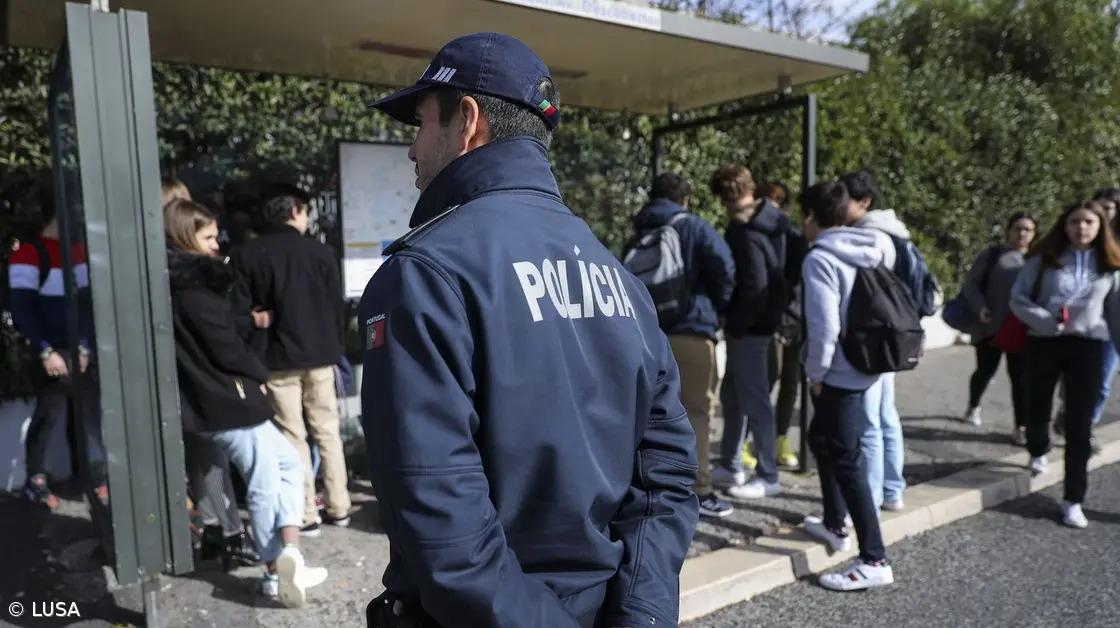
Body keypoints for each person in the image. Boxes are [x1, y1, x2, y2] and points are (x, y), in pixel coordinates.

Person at [361, 32, 699, 627]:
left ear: (467, 120)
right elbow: (666, 475)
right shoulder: (616, 274)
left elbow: (442, 523)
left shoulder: (423, 276)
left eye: (419, 125)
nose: (413, 151)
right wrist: (641, 614)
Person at [165, 199, 327, 606]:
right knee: (266, 478)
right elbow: (224, 345)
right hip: (228, 398)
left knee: (286, 464)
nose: (215, 242)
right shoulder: (194, 288)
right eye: (205, 236)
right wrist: (256, 369)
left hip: (222, 398)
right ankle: (275, 568)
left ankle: (288, 554)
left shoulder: (185, 283)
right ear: (186, 236)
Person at [230, 184, 351, 536]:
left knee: (292, 434)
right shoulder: (321, 253)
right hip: (321, 356)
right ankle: (339, 506)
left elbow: (238, 311)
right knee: (328, 432)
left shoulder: (248, 255)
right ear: (296, 211)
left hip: (276, 356)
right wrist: (337, 346)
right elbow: (336, 307)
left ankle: (304, 513)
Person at [799, 181, 896, 591]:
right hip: (865, 363)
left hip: (836, 371)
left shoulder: (820, 257)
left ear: (811, 218)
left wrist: (815, 375)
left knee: (846, 458)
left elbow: (824, 327)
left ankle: (875, 558)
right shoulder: (872, 247)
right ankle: (835, 525)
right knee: (821, 438)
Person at [1009, 199, 1120, 529]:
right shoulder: (1044, 260)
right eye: (1075, 221)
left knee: (1079, 425)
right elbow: (1019, 298)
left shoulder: (1110, 267)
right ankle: (1038, 447)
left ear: (1100, 228)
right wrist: (1044, 321)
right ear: (1064, 225)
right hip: (1045, 341)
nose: (1081, 228)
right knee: (1037, 406)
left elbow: (1116, 316)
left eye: (1088, 222)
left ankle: (1074, 499)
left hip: (1088, 346)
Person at [631, 172, 736, 518]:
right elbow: (725, 266)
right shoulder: (693, 226)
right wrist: (716, 309)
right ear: (685, 199)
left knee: (649, 414)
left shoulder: (641, 228)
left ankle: (650, 482)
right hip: (692, 331)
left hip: (648, 333)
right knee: (697, 413)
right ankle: (700, 489)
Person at [7, 201, 106, 509]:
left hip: (76, 346)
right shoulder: (29, 253)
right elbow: (22, 308)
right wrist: (45, 350)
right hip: (51, 347)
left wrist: (85, 346)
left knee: (83, 411)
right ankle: (35, 480)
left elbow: (87, 302)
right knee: (50, 412)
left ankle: (86, 475)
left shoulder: (76, 250)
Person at [708, 164, 787, 499]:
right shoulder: (774, 220)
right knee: (734, 394)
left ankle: (767, 473)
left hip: (750, 328)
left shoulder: (743, 231)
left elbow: (755, 284)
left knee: (753, 399)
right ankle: (730, 463)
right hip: (767, 322)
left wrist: (736, 325)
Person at [841, 169, 908, 511]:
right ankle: (893, 490)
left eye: (845, 198)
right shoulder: (893, 232)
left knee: (870, 420)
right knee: (885, 416)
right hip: (891, 333)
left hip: (875, 337)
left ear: (864, 202)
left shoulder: (873, 237)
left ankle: (873, 495)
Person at [959, 212, 1037, 443]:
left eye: (1027, 229)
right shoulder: (992, 255)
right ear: (1009, 230)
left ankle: (1021, 426)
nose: (1022, 233)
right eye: (1017, 228)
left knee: (1020, 379)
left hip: (1022, 330)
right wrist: (980, 307)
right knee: (984, 371)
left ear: (1034, 234)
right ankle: (973, 405)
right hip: (990, 327)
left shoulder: (1038, 260)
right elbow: (971, 285)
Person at [1090, 188, 1120, 431]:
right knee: (1072, 379)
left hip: (1113, 323)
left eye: (1108, 208)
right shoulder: (1081, 238)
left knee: (1102, 380)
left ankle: (1087, 425)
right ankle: (1068, 410)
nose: (1103, 213)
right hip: (1082, 321)